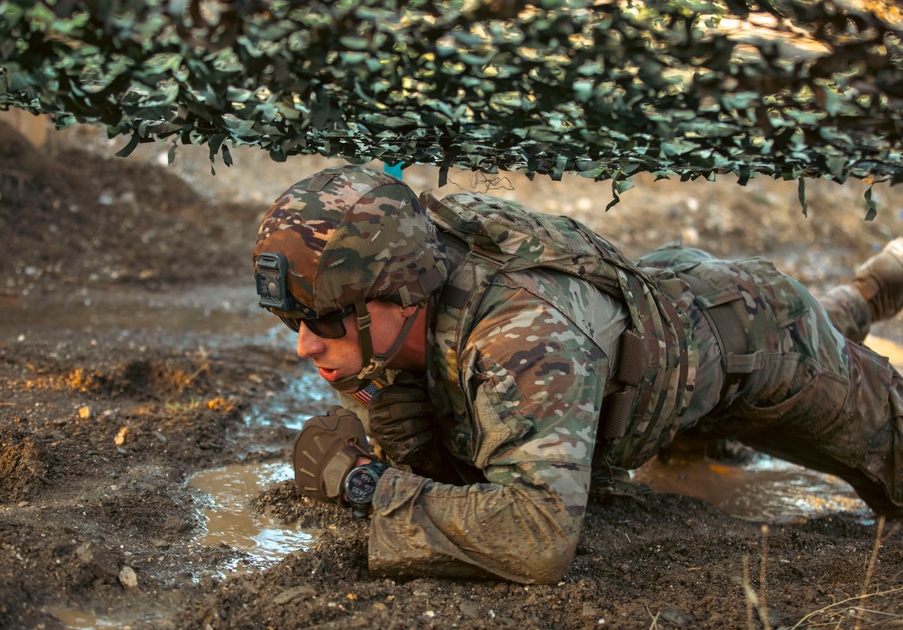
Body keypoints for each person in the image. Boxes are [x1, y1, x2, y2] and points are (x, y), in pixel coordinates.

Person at [252, 165, 903, 584]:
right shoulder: (402, 272)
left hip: (757, 347)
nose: (305, 344)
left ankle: (874, 288)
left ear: (399, 290)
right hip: (652, 352)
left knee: (834, 373)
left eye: (324, 320)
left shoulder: (520, 338)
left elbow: (539, 536)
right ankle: (874, 289)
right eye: (291, 320)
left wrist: (367, 485)